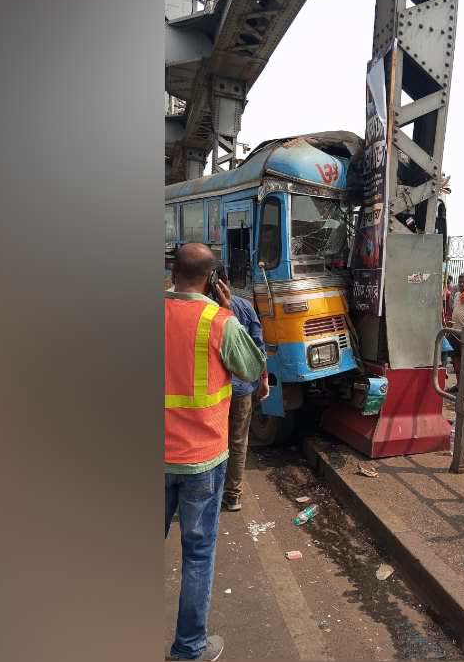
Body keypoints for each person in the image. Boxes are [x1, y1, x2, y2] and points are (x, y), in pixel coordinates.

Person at [165, 243, 266, 661]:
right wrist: (227, 311)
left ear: (173, 272)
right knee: (198, 553)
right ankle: (189, 648)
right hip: (201, 459)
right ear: (211, 278)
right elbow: (253, 369)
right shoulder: (219, 321)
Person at [213, 268, 270, 513]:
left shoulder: (203, 312)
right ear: (226, 282)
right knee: (237, 441)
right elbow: (259, 349)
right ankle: (233, 495)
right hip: (242, 388)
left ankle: (211, 495)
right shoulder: (244, 306)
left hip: (212, 390)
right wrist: (264, 379)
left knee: (213, 443)